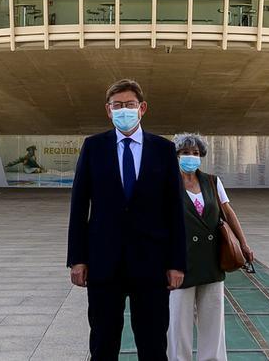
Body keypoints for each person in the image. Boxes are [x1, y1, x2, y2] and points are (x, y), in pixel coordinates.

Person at [67, 79, 186, 361]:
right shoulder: (94, 147)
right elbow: (79, 205)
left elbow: (175, 210)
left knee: (153, 344)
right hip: (103, 264)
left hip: (152, 264)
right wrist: (77, 259)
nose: (124, 110)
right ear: (108, 111)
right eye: (117, 106)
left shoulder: (164, 150)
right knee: (103, 342)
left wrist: (177, 263)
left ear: (142, 108)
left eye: (129, 105)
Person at [169, 133, 254, 361]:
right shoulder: (167, 183)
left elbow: (228, 212)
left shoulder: (211, 181)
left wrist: (243, 243)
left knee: (213, 321)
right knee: (178, 324)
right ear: (176, 156)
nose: (191, 157)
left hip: (211, 261)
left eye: (195, 153)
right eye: (185, 153)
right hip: (180, 262)